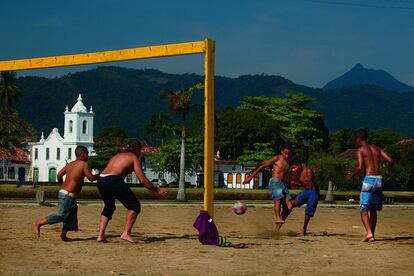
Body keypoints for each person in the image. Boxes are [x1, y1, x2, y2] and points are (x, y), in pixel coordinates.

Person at [96, 140, 168, 243]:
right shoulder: (134, 158)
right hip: (113, 180)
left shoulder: (117, 156)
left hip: (101, 180)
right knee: (134, 206)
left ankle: (100, 235)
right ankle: (126, 233)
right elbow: (142, 180)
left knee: (109, 207)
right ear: (138, 150)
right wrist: (157, 190)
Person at [32, 146, 98, 241]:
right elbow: (91, 178)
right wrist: (100, 175)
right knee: (62, 215)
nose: (88, 156)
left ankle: (63, 235)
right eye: (87, 154)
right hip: (68, 194)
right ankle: (39, 223)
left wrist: (62, 185)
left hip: (66, 193)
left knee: (71, 215)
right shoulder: (83, 164)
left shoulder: (70, 164)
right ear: (83, 154)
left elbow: (59, 175)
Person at [347, 129, 393, 242]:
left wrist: (350, 176)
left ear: (358, 139)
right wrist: (388, 172)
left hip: (368, 180)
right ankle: (372, 234)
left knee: (364, 209)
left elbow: (359, 167)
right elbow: (390, 160)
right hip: (378, 180)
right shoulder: (377, 148)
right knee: (373, 209)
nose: (355, 142)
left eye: (355, 139)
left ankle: (369, 233)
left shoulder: (361, 150)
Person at [243, 144, 292, 226]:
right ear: (282, 152)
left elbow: (286, 176)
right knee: (278, 197)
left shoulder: (288, 163)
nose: (287, 156)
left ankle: (278, 226)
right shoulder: (277, 158)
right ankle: (277, 217)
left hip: (282, 184)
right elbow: (262, 167)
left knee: (289, 205)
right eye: (285, 153)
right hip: (275, 181)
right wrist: (250, 177)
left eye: (289, 154)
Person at [281, 157, 320, 235]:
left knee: (308, 211)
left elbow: (310, 179)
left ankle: (304, 228)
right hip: (306, 191)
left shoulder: (308, 170)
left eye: (294, 168)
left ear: (299, 165)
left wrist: (309, 176)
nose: (293, 170)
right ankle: (281, 220)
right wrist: (297, 184)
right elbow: (304, 183)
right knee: (292, 204)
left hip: (313, 192)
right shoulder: (299, 173)